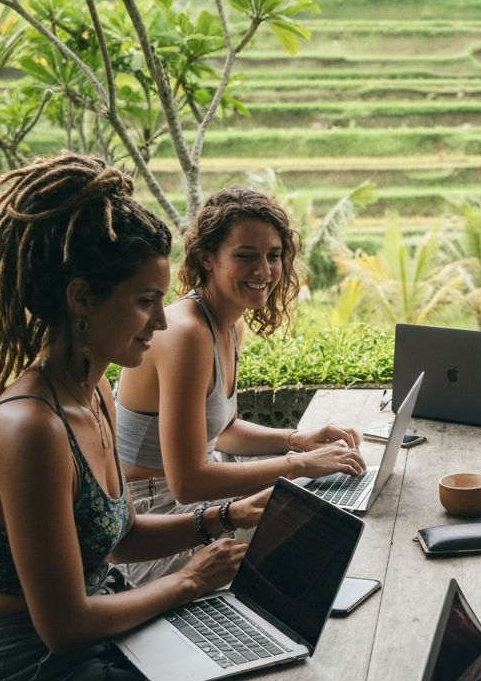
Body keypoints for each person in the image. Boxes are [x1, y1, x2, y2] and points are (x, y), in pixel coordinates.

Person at [0, 153, 271, 681]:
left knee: (251, 661)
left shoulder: (93, 391)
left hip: (90, 648)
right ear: (81, 298)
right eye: (144, 302)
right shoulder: (31, 431)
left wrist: (224, 517)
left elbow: (120, 536)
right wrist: (188, 582)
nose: (160, 321)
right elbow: (65, 625)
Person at [115, 187, 365, 585]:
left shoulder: (226, 323)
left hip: (195, 505)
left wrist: (297, 440)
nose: (263, 270)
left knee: (328, 508)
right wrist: (300, 463)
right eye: (246, 256)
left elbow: (223, 431)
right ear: (206, 257)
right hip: (155, 522)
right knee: (322, 534)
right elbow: (187, 482)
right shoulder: (186, 334)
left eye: (273, 255)